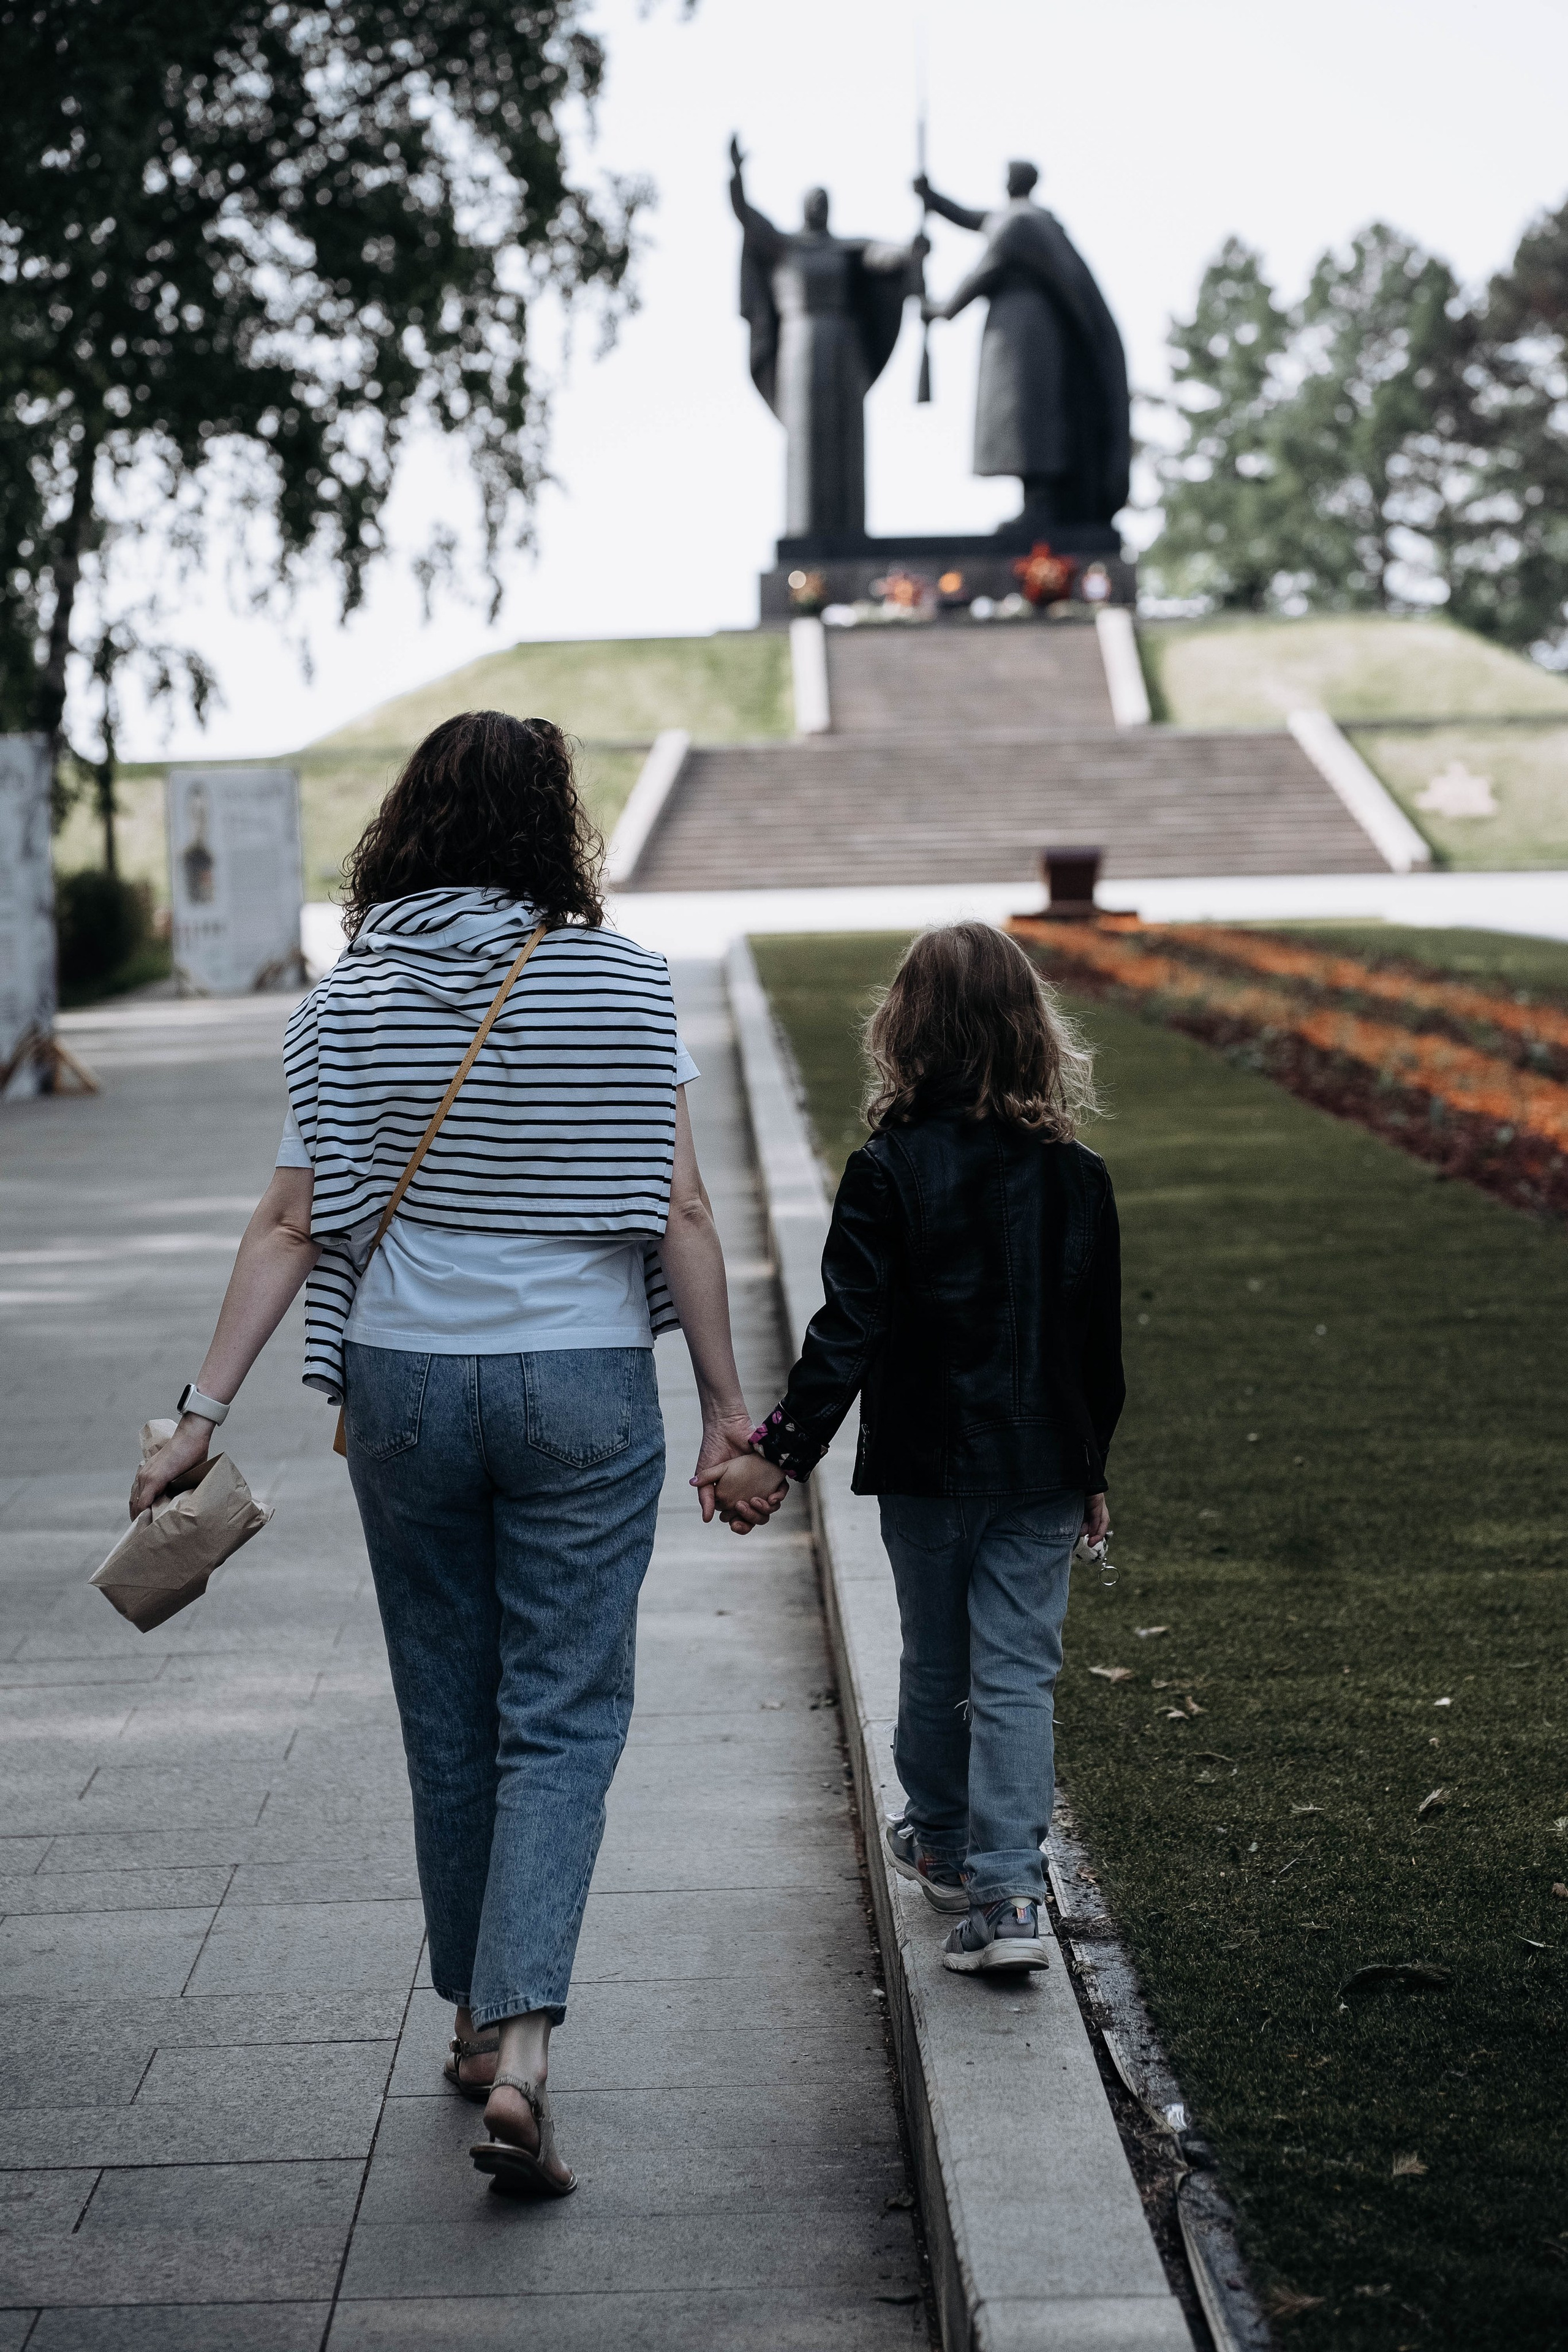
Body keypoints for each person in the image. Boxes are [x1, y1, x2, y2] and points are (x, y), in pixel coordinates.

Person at [130, 712, 772, 2195]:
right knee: (562, 1710)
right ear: (553, 829)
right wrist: (732, 1414)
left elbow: (293, 1223)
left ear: (407, 827)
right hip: (584, 1389)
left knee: (448, 1704)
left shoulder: (347, 1002)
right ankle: (528, 2051)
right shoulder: (622, 989)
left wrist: (199, 1415)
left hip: (406, 1389)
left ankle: (478, 2026)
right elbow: (676, 1216)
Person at [715, 924, 1124, 1975]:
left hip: (929, 1468)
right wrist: (1092, 1470)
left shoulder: (887, 1168)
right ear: (1035, 1032)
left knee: (939, 1657)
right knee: (1020, 1673)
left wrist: (777, 1452)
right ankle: (1011, 1894)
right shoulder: (1079, 1176)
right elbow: (1096, 1349)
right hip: (1041, 1466)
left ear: (906, 1032)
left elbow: (846, 1332)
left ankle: (943, 1838)